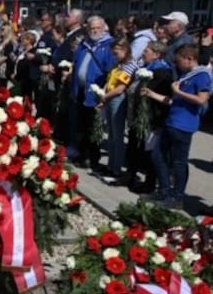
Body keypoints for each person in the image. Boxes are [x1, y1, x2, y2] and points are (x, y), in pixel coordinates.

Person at [143, 44, 211, 210]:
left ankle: (177, 197)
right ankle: (164, 191)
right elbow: (174, 101)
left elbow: (201, 99)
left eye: (179, 61)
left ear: (190, 59)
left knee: (178, 163)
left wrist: (179, 92)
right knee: (158, 156)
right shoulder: (186, 75)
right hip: (172, 121)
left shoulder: (201, 75)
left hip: (183, 126)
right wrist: (153, 94)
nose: (177, 65)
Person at [70, 16, 116, 170]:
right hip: (81, 90)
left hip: (96, 92)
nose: (94, 31)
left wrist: (105, 92)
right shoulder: (84, 44)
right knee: (81, 125)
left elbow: (111, 70)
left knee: (94, 127)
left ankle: (92, 157)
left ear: (104, 29)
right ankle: (81, 154)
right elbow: (76, 62)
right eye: (91, 28)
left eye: (98, 28)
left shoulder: (109, 46)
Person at [126, 40, 172, 194]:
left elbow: (159, 97)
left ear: (156, 55)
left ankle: (149, 184)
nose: (143, 53)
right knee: (135, 147)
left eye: (147, 51)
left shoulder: (162, 72)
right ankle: (131, 175)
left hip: (151, 118)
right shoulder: (145, 68)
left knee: (149, 152)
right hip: (137, 117)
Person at [97, 38, 135, 184]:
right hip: (110, 98)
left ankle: (116, 169)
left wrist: (104, 97)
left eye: (116, 53)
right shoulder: (118, 65)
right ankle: (110, 166)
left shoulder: (130, 66)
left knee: (117, 137)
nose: (114, 56)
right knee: (112, 134)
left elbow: (121, 88)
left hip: (118, 99)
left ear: (125, 51)